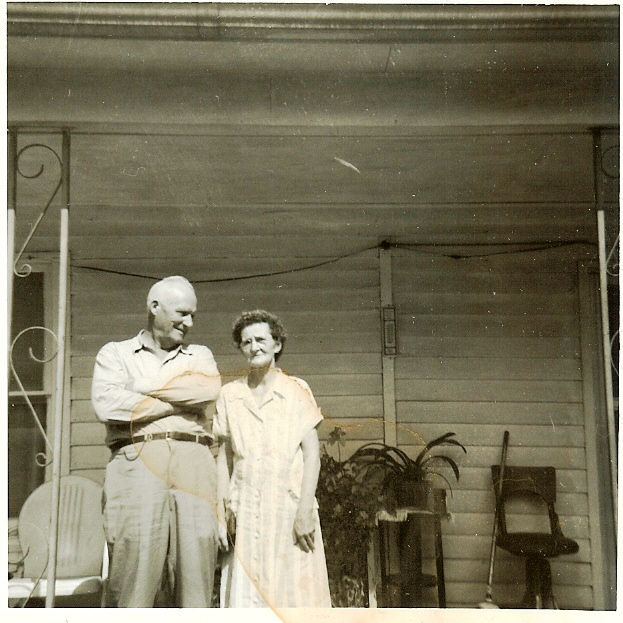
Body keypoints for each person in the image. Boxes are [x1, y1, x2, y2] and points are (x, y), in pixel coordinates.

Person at [91, 275, 221, 607]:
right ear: (154, 307)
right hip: (137, 462)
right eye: (182, 313)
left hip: (193, 465)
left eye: (193, 315)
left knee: (195, 581)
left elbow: (206, 390)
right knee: (134, 576)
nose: (189, 323)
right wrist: (178, 402)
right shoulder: (115, 353)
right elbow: (108, 406)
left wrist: (140, 387)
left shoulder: (199, 355)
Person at [214, 309, 331, 607]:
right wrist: (221, 514)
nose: (254, 347)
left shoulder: (296, 390)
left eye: (261, 340)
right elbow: (223, 459)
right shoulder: (229, 395)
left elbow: (312, 454)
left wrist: (305, 510)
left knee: (294, 596)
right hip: (245, 511)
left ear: (277, 344)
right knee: (247, 596)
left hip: (288, 511)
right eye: (246, 342)